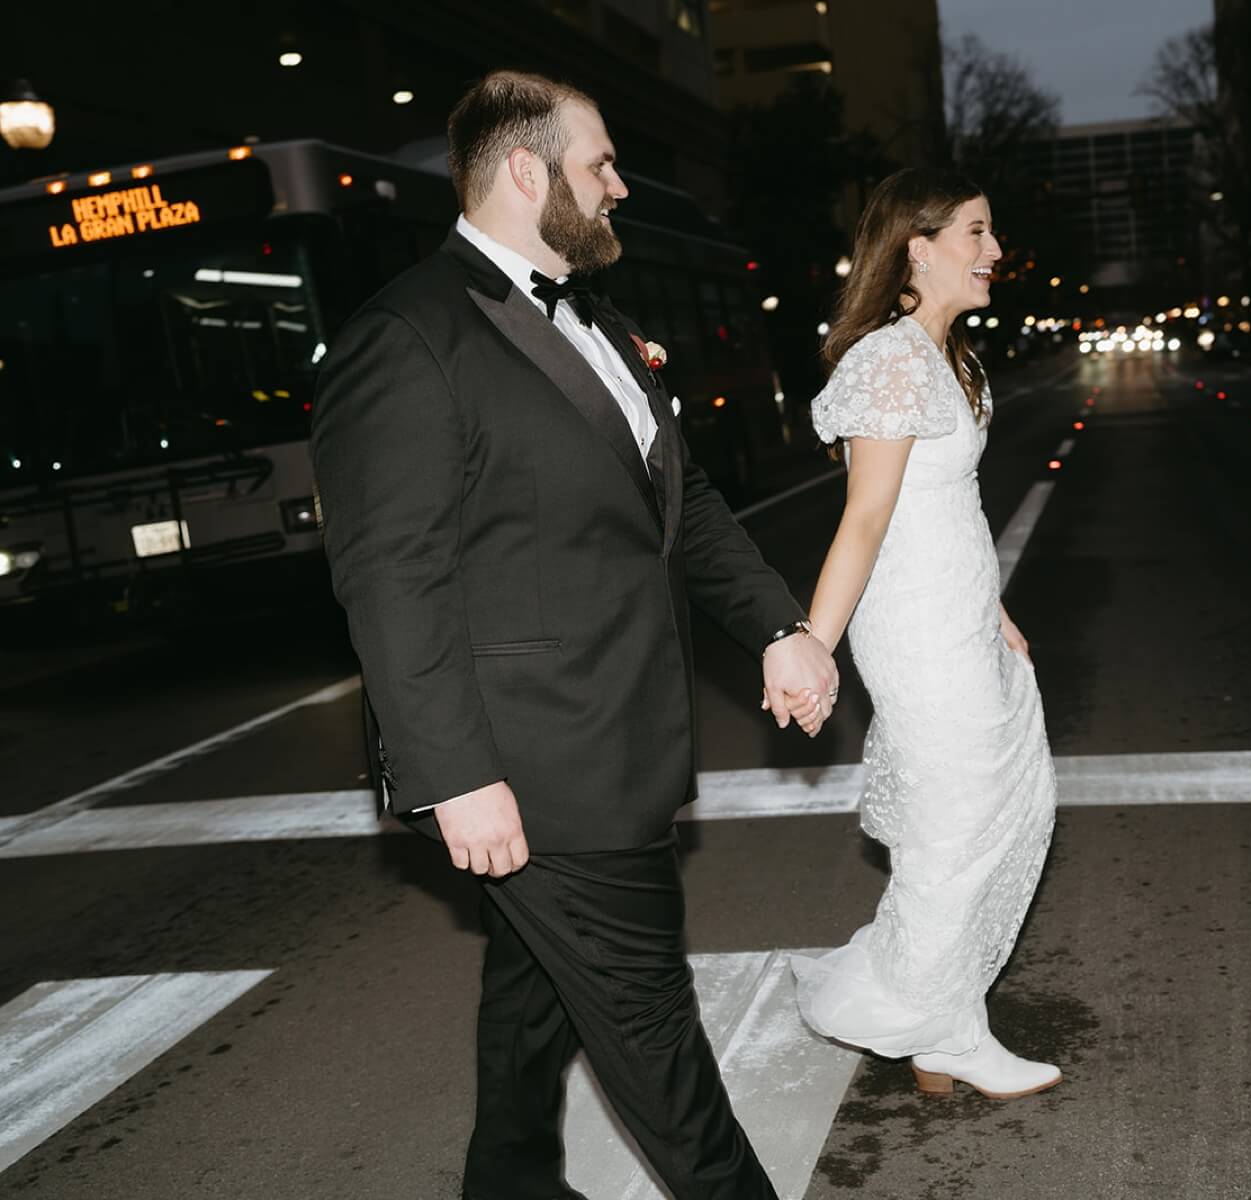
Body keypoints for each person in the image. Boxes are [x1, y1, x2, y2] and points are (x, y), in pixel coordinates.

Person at [310, 71, 839, 1200]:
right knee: (653, 1033)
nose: (619, 184)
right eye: (600, 162)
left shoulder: (608, 323)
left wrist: (778, 626)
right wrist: (454, 775)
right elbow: (389, 581)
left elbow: (681, 507)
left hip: (615, 738)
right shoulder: (407, 336)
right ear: (522, 171)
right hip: (534, 760)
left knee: (534, 992)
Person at [788, 169, 1061, 1099]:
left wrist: (994, 606)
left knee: (996, 811)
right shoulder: (892, 360)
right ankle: (938, 1028)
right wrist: (812, 646)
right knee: (954, 826)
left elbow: (954, 502)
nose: (993, 251)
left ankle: (946, 1018)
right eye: (977, 232)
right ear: (920, 245)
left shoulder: (955, 358)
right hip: (911, 625)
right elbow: (864, 520)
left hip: (959, 609)